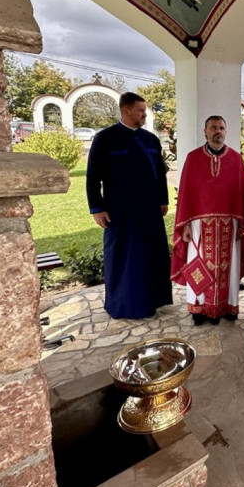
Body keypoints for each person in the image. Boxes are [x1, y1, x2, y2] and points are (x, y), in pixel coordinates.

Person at [86, 92, 172, 319]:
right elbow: (93, 176)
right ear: (126, 111)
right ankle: (124, 305)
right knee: (123, 256)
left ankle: (154, 300)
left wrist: (163, 199)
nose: (144, 114)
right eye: (140, 110)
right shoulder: (105, 139)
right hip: (119, 211)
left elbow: (160, 174)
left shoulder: (151, 140)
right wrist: (97, 208)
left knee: (151, 254)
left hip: (150, 210)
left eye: (144, 110)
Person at [170, 116, 244, 326]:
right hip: (199, 225)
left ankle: (228, 307)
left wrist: (243, 226)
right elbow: (187, 194)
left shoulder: (236, 159)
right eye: (214, 128)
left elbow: (243, 194)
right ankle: (198, 308)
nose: (218, 131)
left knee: (230, 266)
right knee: (198, 264)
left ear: (226, 131)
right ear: (205, 131)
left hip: (230, 225)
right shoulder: (193, 158)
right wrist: (186, 224)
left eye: (222, 128)